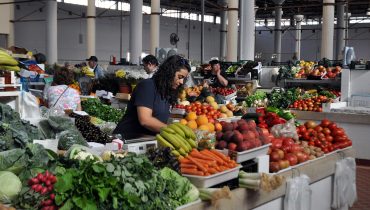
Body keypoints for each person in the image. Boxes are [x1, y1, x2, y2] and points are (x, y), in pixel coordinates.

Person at [113, 55, 191, 138]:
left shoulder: (167, 92)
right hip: (127, 140)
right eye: (180, 77)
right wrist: (173, 131)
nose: (182, 82)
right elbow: (145, 120)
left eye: (184, 79)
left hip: (147, 140)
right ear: (169, 73)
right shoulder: (148, 86)